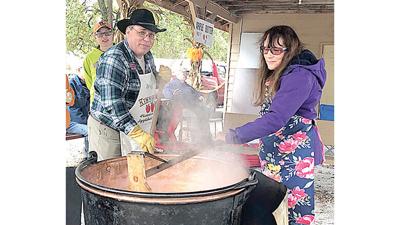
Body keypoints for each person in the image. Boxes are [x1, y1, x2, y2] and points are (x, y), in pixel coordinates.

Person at [220, 25, 326, 225]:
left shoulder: (300, 76)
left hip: (293, 159)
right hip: (277, 156)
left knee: (295, 210)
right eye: (266, 49)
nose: (269, 54)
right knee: (276, 207)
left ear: (290, 50)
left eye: (276, 49)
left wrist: (234, 136)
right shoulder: (284, 72)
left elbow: (275, 119)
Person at [88, 8, 166, 161]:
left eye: (151, 35)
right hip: (108, 129)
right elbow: (113, 103)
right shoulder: (114, 58)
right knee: (111, 177)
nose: (147, 39)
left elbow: (144, 84)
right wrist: (137, 133)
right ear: (128, 32)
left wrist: (160, 78)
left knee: (132, 175)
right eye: (142, 32)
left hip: (132, 123)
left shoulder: (148, 56)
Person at [159, 68, 212, 144]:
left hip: (193, 106)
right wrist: (173, 94)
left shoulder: (186, 85)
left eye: (185, 73)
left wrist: (200, 96)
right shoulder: (171, 84)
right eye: (182, 73)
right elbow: (166, 93)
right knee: (201, 113)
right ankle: (202, 138)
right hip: (182, 107)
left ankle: (205, 137)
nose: (185, 74)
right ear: (177, 75)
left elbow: (196, 92)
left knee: (204, 112)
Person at [82, 20, 114, 104]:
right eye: (100, 34)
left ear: (113, 34)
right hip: (97, 103)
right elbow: (89, 83)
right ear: (95, 36)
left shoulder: (121, 52)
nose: (104, 37)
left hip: (118, 101)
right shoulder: (89, 58)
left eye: (107, 33)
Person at [67, 72, 90, 153]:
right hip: (72, 122)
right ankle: (89, 157)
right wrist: (87, 123)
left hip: (76, 121)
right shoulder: (71, 83)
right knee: (89, 130)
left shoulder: (89, 83)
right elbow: (72, 109)